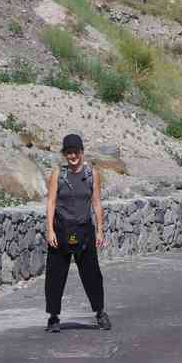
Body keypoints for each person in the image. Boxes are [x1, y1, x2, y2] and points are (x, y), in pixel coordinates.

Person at [44, 133, 112, 332]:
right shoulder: (58, 174)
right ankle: (53, 318)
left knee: (92, 275)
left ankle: (100, 313)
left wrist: (100, 231)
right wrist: (49, 230)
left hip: (85, 231)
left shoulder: (92, 174)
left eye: (76, 152)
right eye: (68, 152)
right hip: (61, 230)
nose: (72, 156)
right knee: (55, 276)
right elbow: (51, 202)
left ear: (82, 152)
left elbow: (97, 203)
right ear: (64, 154)